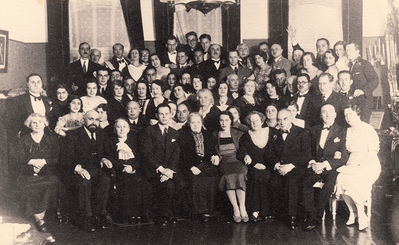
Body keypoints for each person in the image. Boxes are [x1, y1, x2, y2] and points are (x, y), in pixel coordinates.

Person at [302, 104, 349, 231]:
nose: (327, 114)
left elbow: (343, 156)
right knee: (305, 182)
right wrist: (312, 163)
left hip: (331, 168)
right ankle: (310, 214)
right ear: (320, 115)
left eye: (330, 112)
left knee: (328, 186)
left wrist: (325, 164)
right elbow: (308, 151)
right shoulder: (313, 130)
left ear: (335, 114)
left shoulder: (342, 131)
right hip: (315, 165)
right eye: (324, 112)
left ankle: (316, 218)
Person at [335, 103, 381, 231]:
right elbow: (346, 150)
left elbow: (373, 150)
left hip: (369, 163)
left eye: (350, 114)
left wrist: (361, 165)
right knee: (341, 178)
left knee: (354, 181)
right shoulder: (347, 131)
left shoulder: (367, 128)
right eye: (345, 115)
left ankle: (361, 214)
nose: (347, 117)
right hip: (352, 162)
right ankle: (352, 212)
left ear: (357, 113)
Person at [64, 110, 111, 232]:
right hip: (78, 170)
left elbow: (106, 152)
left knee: (105, 180)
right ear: (83, 120)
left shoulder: (102, 134)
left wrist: (104, 158)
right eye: (90, 119)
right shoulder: (73, 135)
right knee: (84, 183)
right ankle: (86, 217)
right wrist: (79, 169)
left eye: (96, 120)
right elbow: (66, 158)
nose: (93, 122)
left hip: (96, 170)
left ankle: (98, 214)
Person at [16, 113, 60, 232]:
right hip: (28, 172)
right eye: (34, 122)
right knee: (27, 185)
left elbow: (57, 158)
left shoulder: (52, 138)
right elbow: (19, 159)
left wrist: (44, 161)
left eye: (40, 122)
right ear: (29, 125)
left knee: (52, 183)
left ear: (44, 124)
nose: (37, 125)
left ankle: (40, 217)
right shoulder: (23, 139)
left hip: (48, 171)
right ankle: (39, 219)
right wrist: (32, 162)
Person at [103, 118, 151, 224]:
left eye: (124, 127)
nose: (121, 129)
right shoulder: (110, 141)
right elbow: (109, 157)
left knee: (143, 183)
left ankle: (141, 214)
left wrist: (132, 167)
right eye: (118, 127)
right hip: (118, 171)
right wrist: (122, 167)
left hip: (135, 169)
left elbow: (140, 157)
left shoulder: (135, 141)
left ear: (128, 129)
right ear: (115, 129)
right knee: (127, 182)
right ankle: (128, 215)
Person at [141, 103, 181, 225]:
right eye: (161, 114)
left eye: (166, 114)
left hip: (169, 170)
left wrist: (169, 171)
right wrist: (161, 170)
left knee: (179, 183)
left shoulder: (175, 133)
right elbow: (147, 154)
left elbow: (176, 154)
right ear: (156, 115)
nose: (164, 116)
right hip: (153, 170)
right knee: (167, 186)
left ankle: (170, 212)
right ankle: (162, 215)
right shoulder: (149, 131)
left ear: (171, 115)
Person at [272, 109, 312, 230]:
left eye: (285, 119)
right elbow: (269, 153)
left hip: (297, 167)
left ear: (291, 119)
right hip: (280, 167)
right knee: (270, 180)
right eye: (279, 119)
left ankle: (292, 216)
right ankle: (273, 213)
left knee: (292, 181)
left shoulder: (302, 132)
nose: (282, 122)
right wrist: (276, 163)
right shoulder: (274, 134)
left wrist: (291, 165)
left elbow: (306, 154)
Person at [237, 111, 279, 222]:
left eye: (256, 120)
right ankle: (255, 211)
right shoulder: (246, 136)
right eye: (252, 121)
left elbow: (277, 151)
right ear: (249, 123)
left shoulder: (271, 132)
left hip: (270, 164)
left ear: (261, 121)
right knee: (256, 176)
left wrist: (273, 164)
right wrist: (247, 157)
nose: (254, 122)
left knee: (268, 177)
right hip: (254, 165)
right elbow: (241, 152)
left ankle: (267, 212)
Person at [178, 113, 219, 222]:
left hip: (206, 164)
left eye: (198, 122)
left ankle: (209, 210)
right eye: (193, 122)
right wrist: (191, 166)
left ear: (202, 123)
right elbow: (182, 156)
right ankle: (199, 211)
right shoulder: (183, 136)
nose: (195, 125)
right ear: (188, 123)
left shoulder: (208, 135)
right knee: (196, 179)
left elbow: (212, 151)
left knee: (212, 176)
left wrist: (215, 156)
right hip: (190, 166)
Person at [214, 111, 248, 223]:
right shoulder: (215, 134)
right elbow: (212, 150)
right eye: (221, 120)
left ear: (231, 121)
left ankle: (242, 207)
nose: (224, 123)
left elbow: (243, 149)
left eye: (226, 120)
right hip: (224, 161)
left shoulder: (238, 133)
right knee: (228, 176)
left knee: (240, 174)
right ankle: (235, 208)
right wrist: (215, 157)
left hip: (237, 160)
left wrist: (246, 156)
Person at [8, 73, 51, 138]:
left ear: (42, 84)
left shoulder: (47, 100)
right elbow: (13, 121)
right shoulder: (18, 100)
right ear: (27, 84)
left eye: (38, 82)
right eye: (33, 82)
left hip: (46, 136)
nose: (36, 85)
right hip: (27, 136)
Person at [346, 42, 379, 122]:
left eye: (349, 50)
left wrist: (363, 90)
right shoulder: (349, 65)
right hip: (353, 101)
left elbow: (375, 80)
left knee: (362, 126)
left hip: (364, 102)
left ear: (357, 51)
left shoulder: (365, 64)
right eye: (346, 50)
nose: (347, 52)